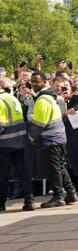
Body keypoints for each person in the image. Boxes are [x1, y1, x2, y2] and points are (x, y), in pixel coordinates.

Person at [29, 70, 78, 208]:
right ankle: (71, 192)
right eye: (32, 81)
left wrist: (31, 136)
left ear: (44, 82)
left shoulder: (43, 99)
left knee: (53, 169)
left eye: (37, 81)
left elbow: (39, 123)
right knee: (60, 167)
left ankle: (58, 196)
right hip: (58, 137)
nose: (34, 84)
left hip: (51, 139)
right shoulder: (50, 96)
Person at [0, 77, 34, 211]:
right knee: (23, 172)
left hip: (4, 143)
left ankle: (1, 204)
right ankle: (29, 201)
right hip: (19, 141)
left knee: (3, 175)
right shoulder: (12, 98)